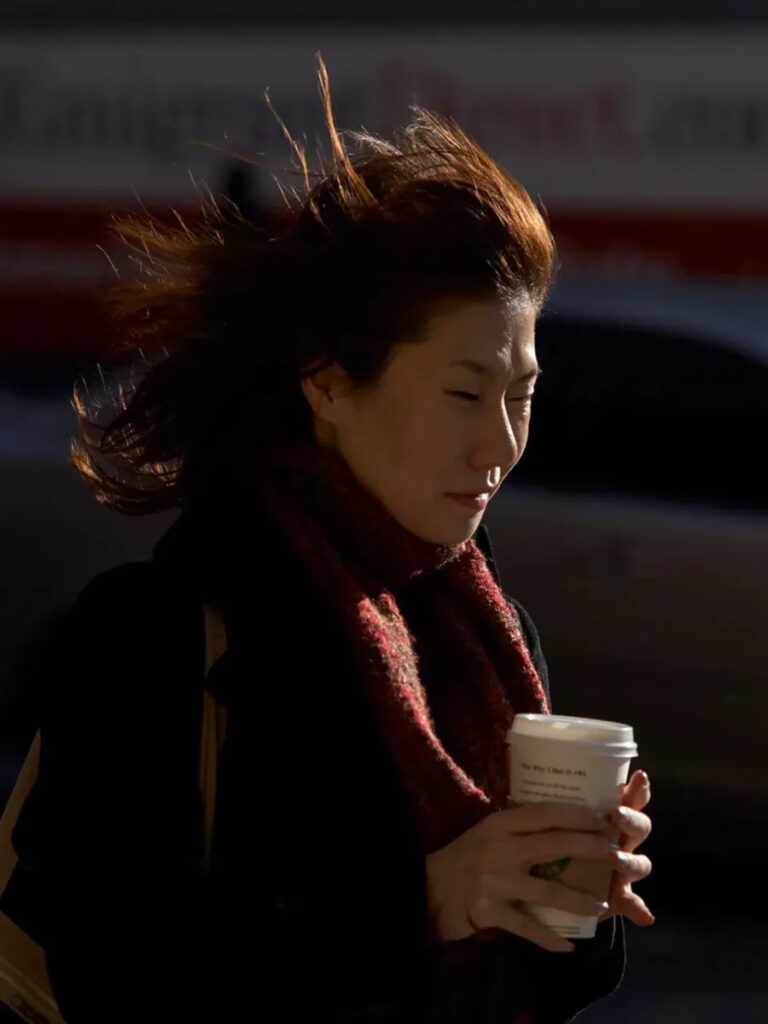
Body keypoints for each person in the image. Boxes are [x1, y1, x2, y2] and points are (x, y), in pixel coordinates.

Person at [2, 59, 652, 1023]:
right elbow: (119, 971)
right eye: (467, 393)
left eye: (522, 397)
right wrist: (432, 898)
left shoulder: (487, 628)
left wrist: (575, 890)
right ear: (330, 382)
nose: (503, 444)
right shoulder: (160, 633)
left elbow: (541, 980)